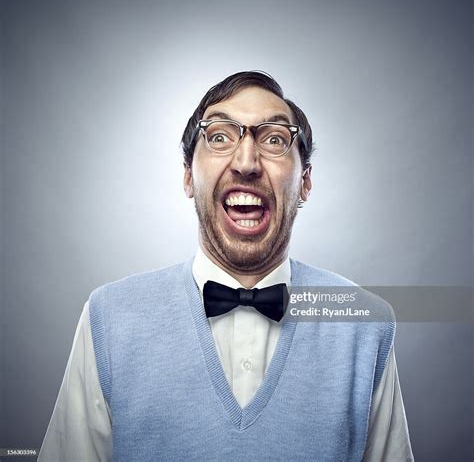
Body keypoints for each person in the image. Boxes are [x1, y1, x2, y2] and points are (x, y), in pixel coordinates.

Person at [39, 71, 414, 461]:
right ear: (188, 176)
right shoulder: (109, 317)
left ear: (305, 182)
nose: (246, 161)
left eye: (273, 138)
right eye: (219, 136)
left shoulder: (363, 322)